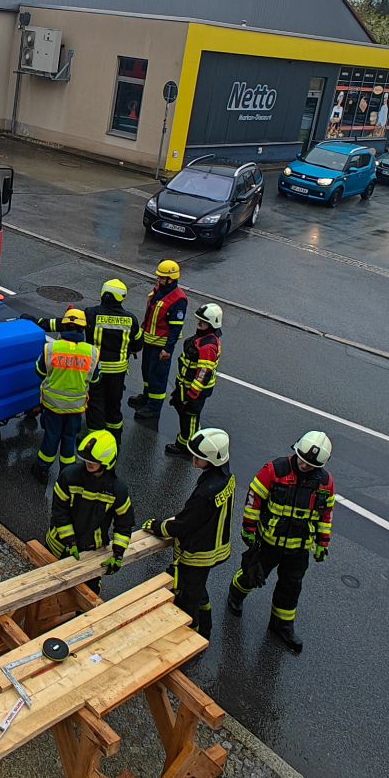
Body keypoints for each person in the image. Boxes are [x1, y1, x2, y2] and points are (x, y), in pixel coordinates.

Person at [227, 430, 335, 655]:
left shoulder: (325, 483)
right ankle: (236, 595)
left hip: (299, 548)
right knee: (252, 575)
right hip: (269, 542)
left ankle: (282, 625)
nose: (304, 466)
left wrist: (322, 543)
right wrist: (249, 528)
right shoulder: (276, 470)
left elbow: (325, 515)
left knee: (291, 586)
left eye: (310, 464)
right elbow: (254, 498)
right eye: (302, 460)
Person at [139, 427, 233, 639]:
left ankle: (191, 633)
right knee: (199, 588)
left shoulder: (206, 492)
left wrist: (157, 526)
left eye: (198, 457)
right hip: (214, 547)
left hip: (198, 553)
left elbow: (183, 525)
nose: (193, 459)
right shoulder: (225, 476)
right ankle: (205, 627)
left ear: (211, 460)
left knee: (189, 595)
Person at [41, 280, 136, 437]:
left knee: (95, 405)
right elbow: (137, 344)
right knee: (114, 405)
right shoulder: (131, 319)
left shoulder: (91, 314)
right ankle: (114, 439)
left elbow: (65, 323)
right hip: (117, 373)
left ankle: (94, 441)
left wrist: (38, 322)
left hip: (95, 370)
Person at [45, 430, 134, 587]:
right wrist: (70, 542)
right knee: (44, 591)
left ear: (107, 461)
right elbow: (59, 512)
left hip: (91, 552)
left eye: (93, 461)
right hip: (59, 546)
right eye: (86, 459)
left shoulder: (117, 490)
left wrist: (118, 554)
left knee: (87, 597)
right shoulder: (69, 476)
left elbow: (124, 524)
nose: (88, 463)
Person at [35, 307, 99, 480]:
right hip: (75, 408)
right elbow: (94, 380)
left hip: (53, 406)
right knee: (69, 439)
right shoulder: (92, 352)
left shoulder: (51, 348)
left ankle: (42, 469)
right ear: (83, 329)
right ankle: (67, 474)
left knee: (51, 438)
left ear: (63, 327)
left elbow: (39, 372)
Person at [130, 260, 187, 420]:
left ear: (171, 279)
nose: (159, 280)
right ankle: (147, 397)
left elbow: (175, 329)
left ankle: (154, 408)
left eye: (162, 278)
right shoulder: (159, 291)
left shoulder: (178, 299)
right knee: (147, 372)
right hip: (149, 341)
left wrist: (167, 350)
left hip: (161, 346)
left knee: (157, 377)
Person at [165, 303, 223, 457]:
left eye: (202, 323)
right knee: (186, 414)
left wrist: (192, 394)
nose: (198, 324)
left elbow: (204, 372)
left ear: (211, 325)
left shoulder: (207, 346)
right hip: (186, 385)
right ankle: (190, 438)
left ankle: (186, 446)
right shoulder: (204, 338)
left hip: (194, 389)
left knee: (189, 417)